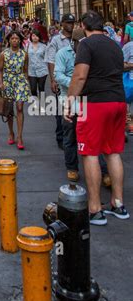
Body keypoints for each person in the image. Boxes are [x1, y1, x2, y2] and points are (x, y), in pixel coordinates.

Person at [65, 10, 129, 225]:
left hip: (94, 104)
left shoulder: (86, 44)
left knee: (90, 152)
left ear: (84, 25)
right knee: (113, 152)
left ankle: (94, 209)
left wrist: (69, 101)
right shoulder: (114, 44)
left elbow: (80, 75)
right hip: (118, 102)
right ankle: (118, 204)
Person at [55, 27, 110, 185]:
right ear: (74, 42)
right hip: (69, 100)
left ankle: (104, 171)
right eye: (83, 43)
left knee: (95, 136)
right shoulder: (63, 54)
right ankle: (72, 167)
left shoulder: (92, 53)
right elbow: (58, 75)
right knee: (70, 135)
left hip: (90, 100)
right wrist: (75, 83)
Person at [45, 13, 75, 149]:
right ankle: (61, 137)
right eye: (68, 22)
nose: (70, 25)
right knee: (60, 111)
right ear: (62, 24)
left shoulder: (77, 38)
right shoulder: (56, 40)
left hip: (76, 81)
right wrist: (53, 80)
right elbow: (50, 60)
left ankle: (74, 136)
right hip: (61, 80)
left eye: (72, 23)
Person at [0, 31, 31, 149]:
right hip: (8, 81)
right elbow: (0, 70)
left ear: (20, 40)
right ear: (9, 40)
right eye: (12, 38)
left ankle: (20, 136)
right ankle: (11, 132)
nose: (15, 40)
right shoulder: (3, 54)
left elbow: (26, 69)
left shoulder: (24, 54)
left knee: (20, 108)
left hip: (20, 81)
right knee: (9, 109)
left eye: (17, 39)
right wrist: (1, 83)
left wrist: (26, 82)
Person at [27, 30, 48, 110]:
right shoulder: (28, 46)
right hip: (31, 70)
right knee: (33, 88)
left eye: (36, 36)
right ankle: (35, 102)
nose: (35, 37)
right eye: (33, 36)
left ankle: (42, 104)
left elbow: (46, 58)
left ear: (39, 37)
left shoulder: (44, 46)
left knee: (41, 87)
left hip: (42, 69)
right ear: (31, 37)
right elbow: (26, 58)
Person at [122, 37, 133, 135]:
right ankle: (124, 130)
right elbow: (120, 64)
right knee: (126, 107)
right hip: (130, 82)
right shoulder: (128, 46)